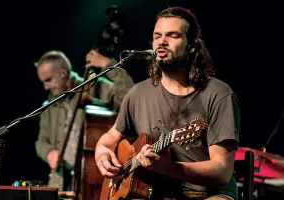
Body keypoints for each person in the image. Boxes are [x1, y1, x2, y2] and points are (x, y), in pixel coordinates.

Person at [95, 6, 240, 200]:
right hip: (154, 193)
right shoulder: (138, 94)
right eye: (157, 36)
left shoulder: (219, 94)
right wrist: (102, 154)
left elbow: (222, 171)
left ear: (192, 46)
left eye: (173, 36)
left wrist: (170, 168)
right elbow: (109, 139)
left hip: (206, 195)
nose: (162, 42)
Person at [34, 49, 135, 191]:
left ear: (63, 73)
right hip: (62, 181)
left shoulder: (93, 86)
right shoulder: (49, 106)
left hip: (95, 176)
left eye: (48, 80)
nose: (45, 87)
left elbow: (130, 97)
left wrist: (108, 64)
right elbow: (41, 142)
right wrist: (49, 152)